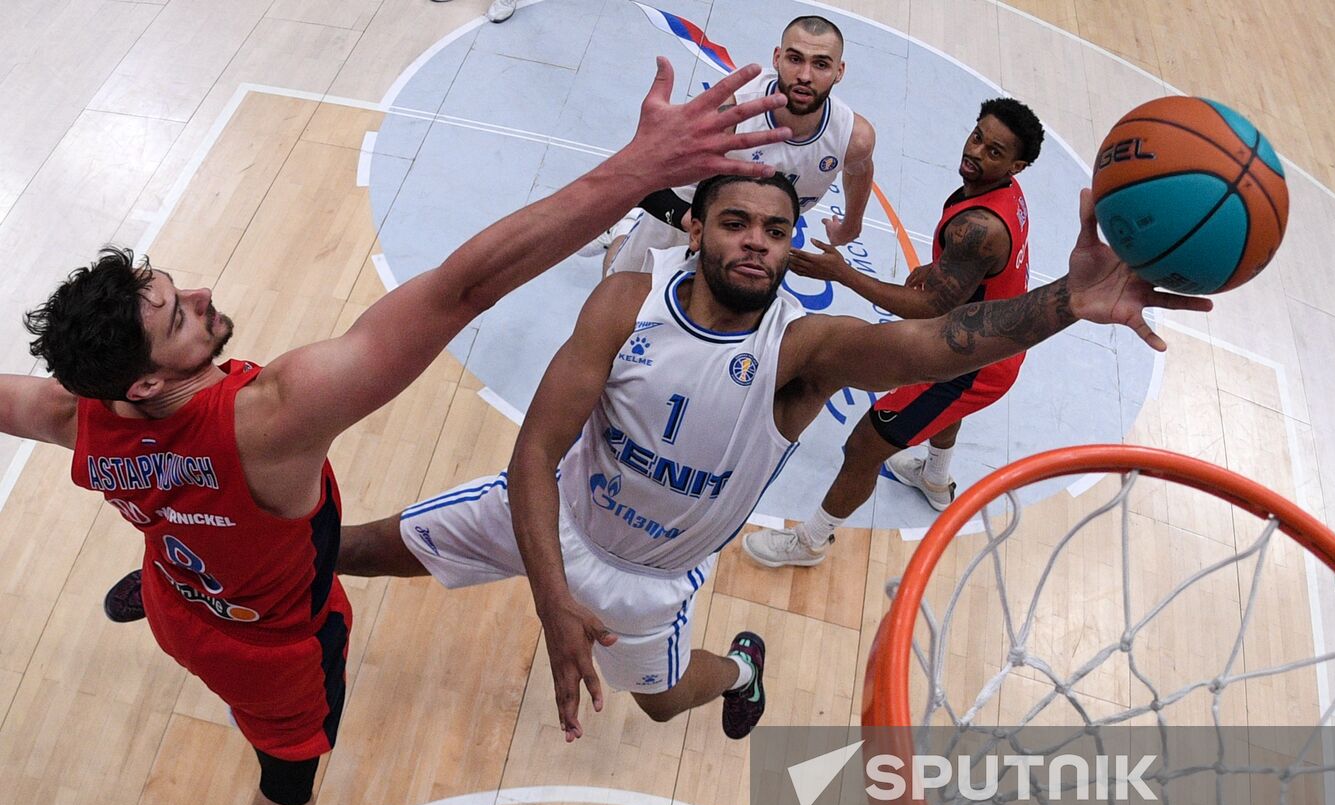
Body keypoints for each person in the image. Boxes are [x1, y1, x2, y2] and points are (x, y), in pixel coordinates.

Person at [3, 59, 790, 805]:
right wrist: (639, 168)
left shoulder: (77, 413)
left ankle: (174, 594)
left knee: (284, 555)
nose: (198, 293)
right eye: (179, 316)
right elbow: (463, 287)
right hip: (275, 651)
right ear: (147, 384)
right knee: (287, 779)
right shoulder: (271, 417)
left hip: (181, 601)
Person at [336, 172, 1210, 747]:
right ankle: (238, 579)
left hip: (647, 580)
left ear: (793, 245)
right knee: (353, 547)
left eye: (777, 230)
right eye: (736, 223)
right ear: (696, 231)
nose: (757, 240)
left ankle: (742, 667)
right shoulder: (623, 304)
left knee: (665, 700)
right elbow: (533, 450)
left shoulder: (804, 350)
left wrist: (1067, 299)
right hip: (551, 510)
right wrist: (550, 596)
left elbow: (938, 344)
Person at [744, 98, 1045, 567]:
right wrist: (943, 267)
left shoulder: (980, 228)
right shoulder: (997, 192)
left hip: (974, 362)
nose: (976, 151)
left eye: (994, 151)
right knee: (941, 405)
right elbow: (978, 271)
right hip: (984, 342)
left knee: (864, 446)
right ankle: (934, 477)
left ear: (1017, 166)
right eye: (977, 136)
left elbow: (929, 305)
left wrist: (842, 273)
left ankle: (811, 543)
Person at [596, 14, 876, 274]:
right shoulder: (730, 111)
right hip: (691, 213)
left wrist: (850, 225)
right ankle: (623, 231)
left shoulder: (854, 137)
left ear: (839, 71)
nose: (805, 75)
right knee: (619, 286)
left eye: (821, 64)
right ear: (777, 58)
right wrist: (690, 222)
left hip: (757, 238)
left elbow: (859, 170)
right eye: (794, 59)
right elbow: (645, 184)